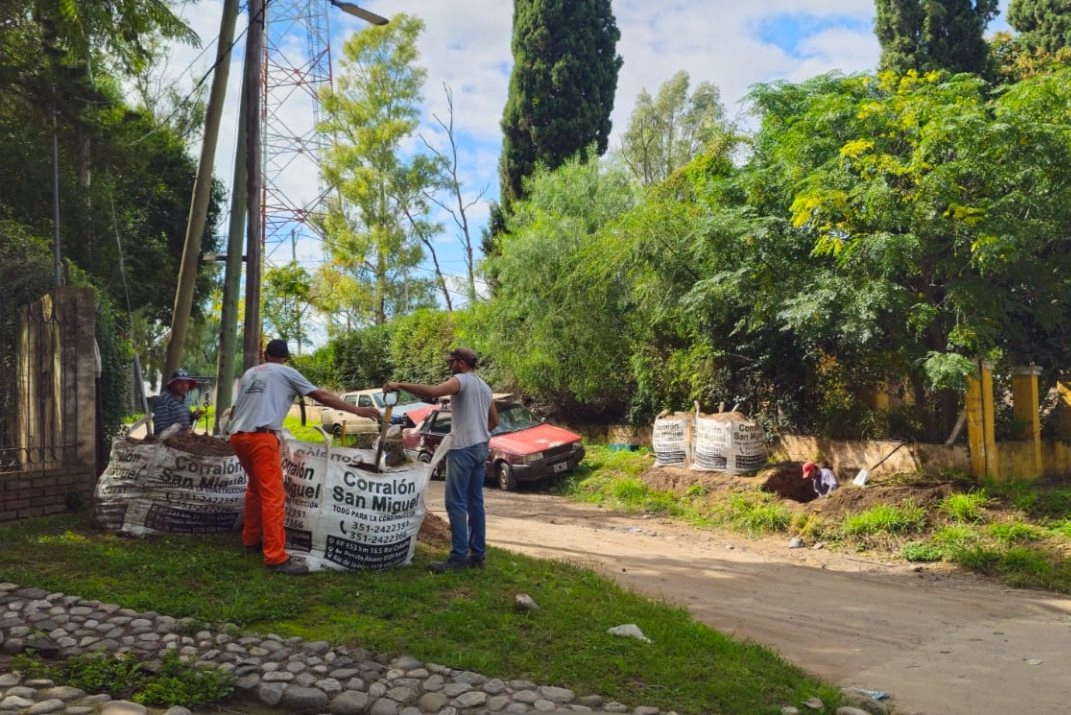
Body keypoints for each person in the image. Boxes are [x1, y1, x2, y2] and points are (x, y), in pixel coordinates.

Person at [228, 338, 381, 576]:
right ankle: (275, 558)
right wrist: (357, 410)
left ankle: (251, 540)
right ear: (286, 358)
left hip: (238, 436)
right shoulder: (286, 372)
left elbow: (236, 409)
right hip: (261, 438)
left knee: (255, 490)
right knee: (273, 496)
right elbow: (322, 396)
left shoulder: (250, 374)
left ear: (266, 355)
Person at [384, 347, 498, 573]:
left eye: (451, 361)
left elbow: (434, 391)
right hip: (481, 447)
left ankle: (458, 558)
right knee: (475, 502)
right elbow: (494, 420)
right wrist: (477, 431)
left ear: (461, 363)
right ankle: (478, 556)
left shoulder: (460, 380)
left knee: (455, 503)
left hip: (463, 448)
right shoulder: (485, 387)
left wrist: (399, 385)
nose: (449, 365)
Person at [152, 369, 204, 433]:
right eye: (180, 382)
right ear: (172, 384)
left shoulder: (186, 399)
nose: (184, 385)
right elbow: (161, 429)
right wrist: (183, 434)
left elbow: (184, 422)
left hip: (184, 437)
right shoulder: (163, 400)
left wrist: (193, 417)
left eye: (186, 382)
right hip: (168, 438)